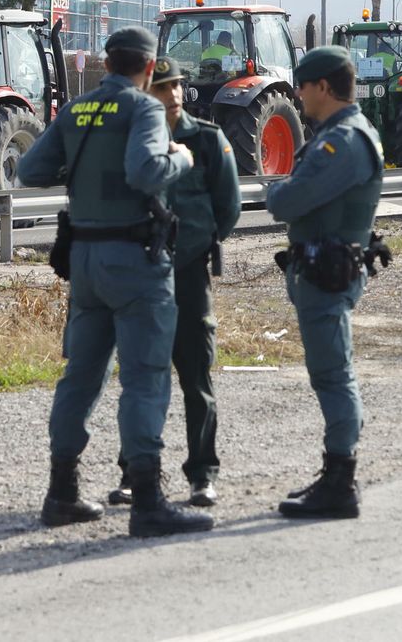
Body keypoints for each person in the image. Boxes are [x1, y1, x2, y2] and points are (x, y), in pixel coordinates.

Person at [18, 26, 213, 539]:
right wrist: (183, 158)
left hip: (84, 257)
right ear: (149, 70)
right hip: (135, 260)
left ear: (106, 64)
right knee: (145, 376)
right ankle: (148, 501)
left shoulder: (75, 110)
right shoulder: (144, 108)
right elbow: (146, 172)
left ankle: (62, 491)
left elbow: (31, 171)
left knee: (81, 375)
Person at [106, 57, 241, 509]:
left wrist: (198, 244)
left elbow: (229, 208)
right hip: (143, 280)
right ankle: (134, 473)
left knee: (197, 378)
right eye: (164, 88)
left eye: (179, 86)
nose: (175, 95)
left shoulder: (205, 139)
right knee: (142, 377)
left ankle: (202, 475)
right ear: (147, 93)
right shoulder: (133, 141)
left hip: (187, 276)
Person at [265, 45, 384, 519]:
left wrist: (278, 191)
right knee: (330, 372)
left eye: (304, 86)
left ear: (323, 88)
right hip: (320, 267)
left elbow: (289, 201)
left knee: (333, 374)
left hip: (326, 271)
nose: (299, 94)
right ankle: (335, 473)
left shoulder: (343, 142)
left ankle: (341, 482)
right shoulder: (341, 134)